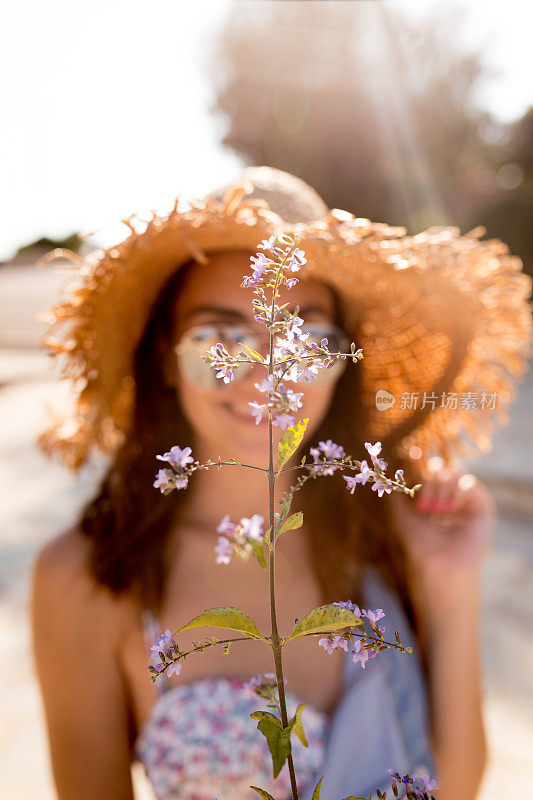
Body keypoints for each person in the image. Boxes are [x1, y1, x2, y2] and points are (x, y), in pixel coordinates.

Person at [31, 167, 532, 800]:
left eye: (307, 340)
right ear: (164, 357)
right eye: (220, 339)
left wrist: (451, 584)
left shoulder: (387, 538)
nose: (269, 373)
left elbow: (454, 789)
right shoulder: (90, 578)